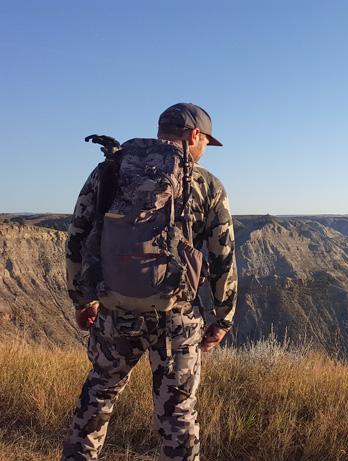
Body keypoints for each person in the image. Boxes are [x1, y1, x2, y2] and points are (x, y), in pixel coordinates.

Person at [61, 103, 238, 461]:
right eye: (205, 141)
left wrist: (83, 301)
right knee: (178, 414)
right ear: (193, 136)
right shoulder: (206, 184)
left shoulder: (109, 171)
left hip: (114, 310)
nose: (204, 149)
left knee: (97, 397)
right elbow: (222, 258)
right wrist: (223, 319)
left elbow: (78, 239)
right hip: (176, 317)